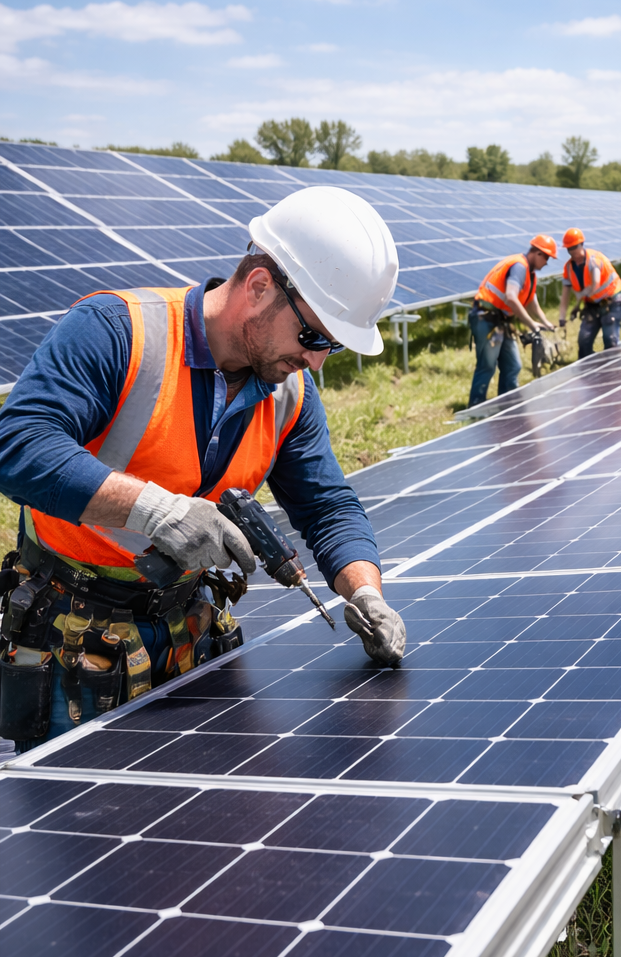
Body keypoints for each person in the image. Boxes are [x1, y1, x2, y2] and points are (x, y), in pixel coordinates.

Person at [0, 186, 407, 754]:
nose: (315, 361)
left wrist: (365, 590)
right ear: (259, 287)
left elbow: (326, 504)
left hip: (190, 629)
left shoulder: (289, 393)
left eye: (331, 346)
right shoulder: (118, 331)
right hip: (76, 636)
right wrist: (155, 510)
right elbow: (19, 444)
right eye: (313, 336)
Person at [467, 236, 558, 407]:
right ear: (537, 253)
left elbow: (531, 302)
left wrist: (545, 322)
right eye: (546, 257)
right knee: (487, 365)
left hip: (501, 322)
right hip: (486, 318)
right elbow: (511, 297)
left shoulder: (530, 274)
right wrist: (531, 324)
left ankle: (508, 405)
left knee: (513, 366)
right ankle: (475, 408)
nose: (547, 262)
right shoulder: (519, 267)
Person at [558, 229, 621, 358]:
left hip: (612, 302)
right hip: (592, 306)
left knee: (610, 340)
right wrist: (564, 315)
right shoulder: (569, 268)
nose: (572, 252)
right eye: (569, 249)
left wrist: (581, 295)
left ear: (581, 244)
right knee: (584, 341)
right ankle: (593, 369)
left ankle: (614, 366)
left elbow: (595, 283)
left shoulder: (594, 259)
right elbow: (565, 294)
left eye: (574, 247)